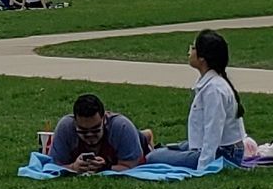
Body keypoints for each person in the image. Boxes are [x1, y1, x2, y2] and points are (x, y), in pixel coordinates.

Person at [143, 30, 248, 171]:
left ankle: (147, 150)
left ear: (202, 58)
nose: (189, 51)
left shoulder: (214, 89)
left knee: (152, 158)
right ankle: (150, 147)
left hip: (223, 153)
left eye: (193, 48)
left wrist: (203, 166)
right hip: (215, 147)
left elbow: (213, 132)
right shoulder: (211, 83)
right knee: (169, 148)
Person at [49, 93, 150, 173]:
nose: (89, 135)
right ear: (74, 122)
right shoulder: (66, 127)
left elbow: (130, 167)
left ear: (104, 119)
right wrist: (73, 167)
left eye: (95, 129)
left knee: (156, 158)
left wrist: (105, 167)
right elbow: (55, 165)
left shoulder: (122, 127)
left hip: (139, 144)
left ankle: (146, 136)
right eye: (83, 130)